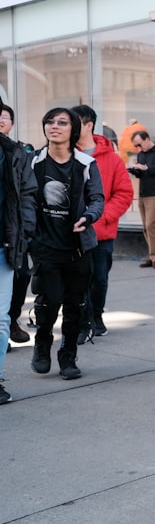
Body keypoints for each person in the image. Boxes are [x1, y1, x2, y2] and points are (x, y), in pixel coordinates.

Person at [29, 108, 104, 380]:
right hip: (45, 246)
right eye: (50, 121)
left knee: (75, 306)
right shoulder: (33, 162)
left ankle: (68, 356)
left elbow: (97, 199)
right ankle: (42, 344)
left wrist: (87, 216)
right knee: (48, 303)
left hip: (78, 248)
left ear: (73, 129)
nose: (54, 126)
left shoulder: (85, 164)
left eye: (62, 122)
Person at [70, 105, 132, 342]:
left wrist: (100, 216)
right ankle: (83, 320)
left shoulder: (112, 160)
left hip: (102, 232)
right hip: (72, 232)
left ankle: (96, 314)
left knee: (100, 278)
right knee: (78, 278)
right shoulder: (66, 155)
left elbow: (123, 194)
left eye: (75, 122)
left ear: (88, 125)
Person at [0, 103, 37, 403]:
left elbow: (28, 195)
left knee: (0, 320)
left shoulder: (15, 154)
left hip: (5, 247)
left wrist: (25, 234)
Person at [127, 129, 155, 268]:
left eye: (139, 144)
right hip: (143, 192)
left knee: (151, 224)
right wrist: (135, 170)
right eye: (136, 146)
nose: (139, 148)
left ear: (147, 139)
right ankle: (152, 256)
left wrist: (147, 168)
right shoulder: (141, 155)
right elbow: (142, 174)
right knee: (146, 226)